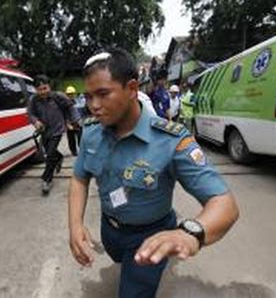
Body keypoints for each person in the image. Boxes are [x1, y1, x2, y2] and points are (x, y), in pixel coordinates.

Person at [68, 48, 239, 298]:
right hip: (110, 229)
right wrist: (75, 225)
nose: (93, 106)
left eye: (103, 94)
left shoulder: (171, 139)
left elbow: (225, 204)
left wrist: (191, 233)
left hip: (149, 236)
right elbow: (79, 178)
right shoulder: (92, 132)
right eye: (89, 96)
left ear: (132, 88)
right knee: (121, 262)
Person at [28, 75, 80, 195]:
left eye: (45, 88)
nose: (43, 92)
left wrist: (75, 120)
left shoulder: (59, 96)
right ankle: (59, 157)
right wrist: (35, 121)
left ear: (49, 86)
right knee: (50, 152)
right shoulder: (33, 100)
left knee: (50, 154)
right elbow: (30, 114)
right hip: (44, 131)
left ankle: (46, 179)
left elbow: (70, 107)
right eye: (39, 89)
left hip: (57, 129)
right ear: (36, 90)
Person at [65, 85, 82, 156]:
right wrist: (67, 124)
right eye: (69, 94)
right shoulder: (64, 103)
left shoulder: (78, 102)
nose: (71, 95)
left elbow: (80, 112)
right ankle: (73, 151)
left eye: (72, 94)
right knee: (71, 139)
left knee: (80, 138)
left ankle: (82, 150)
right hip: (70, 123)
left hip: (78, 122)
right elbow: (64, 115)